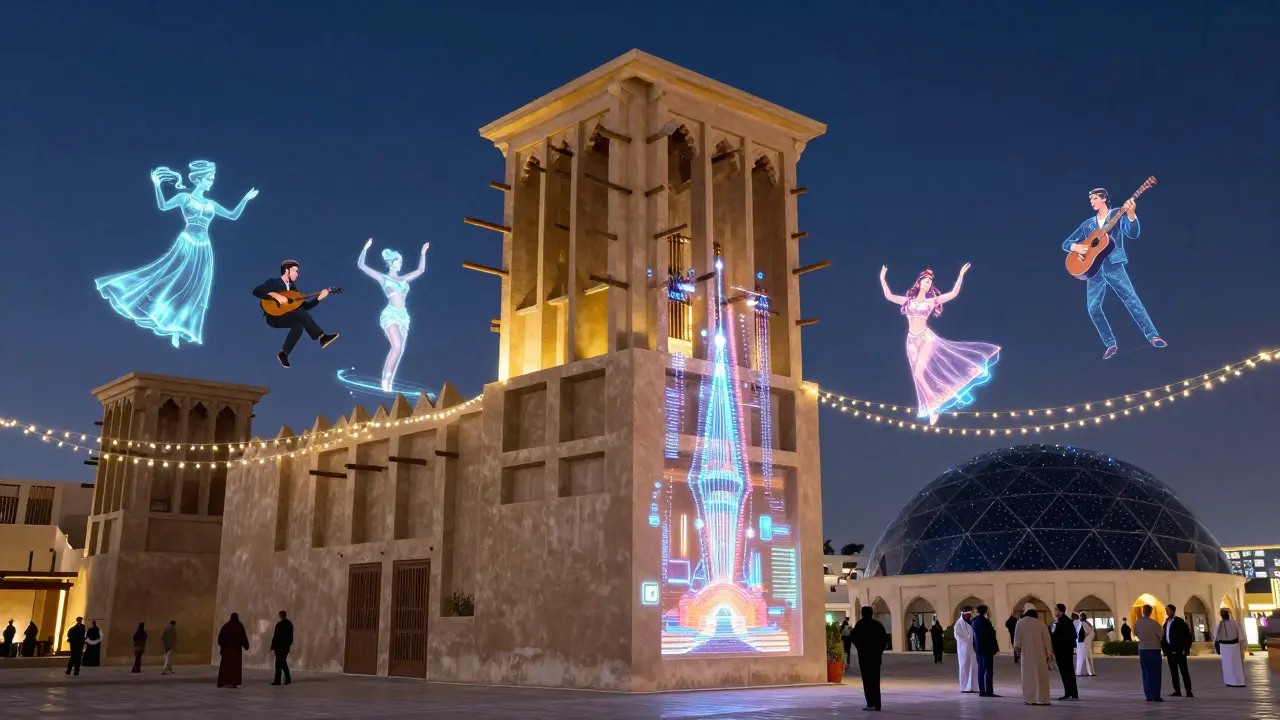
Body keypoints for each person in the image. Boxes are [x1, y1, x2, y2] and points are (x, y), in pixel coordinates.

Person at [96, 161, 258, 347]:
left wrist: (245, 198)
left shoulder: (211, 203)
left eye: (212, 179)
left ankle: (179, 328)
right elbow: (163, 206)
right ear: (199, 179)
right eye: (208, 179)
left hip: (203, 248)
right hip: (187, 243)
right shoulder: (185, 197)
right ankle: (150, 308)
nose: (211, 183)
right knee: (170, 278)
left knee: (195, 289)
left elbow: (232, 215)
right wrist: (157, 186)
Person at [879, 265, 1000, 425]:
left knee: (918, 374)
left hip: (926, 337)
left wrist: (961, 275)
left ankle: (934, 406)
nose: (927, 283)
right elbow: (888, 295)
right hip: (911, 341)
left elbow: (953, 293)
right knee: (919, 377)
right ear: (919, 282)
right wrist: (882, 277)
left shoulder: (931, 301)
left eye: (930, 282)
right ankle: (933, 404)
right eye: (925, 280)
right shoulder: (907, 301)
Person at [1062, 187, 1165, 359]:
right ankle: (1110, 343)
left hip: (1114, 265)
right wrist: (1075, 246)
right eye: (1090, 200)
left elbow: (1132, 233)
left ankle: (1153, 336)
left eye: (1095, 198)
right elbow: (1067, 243)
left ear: (1104, 198)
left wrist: (1131, 215)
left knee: (1131, 299)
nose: (1092, 202)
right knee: (1092, 308)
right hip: (1093, 269)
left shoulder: (1117, 213)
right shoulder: (1087, 225)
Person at [357, 239, 430, 392]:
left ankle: (390, 379)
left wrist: (423, 253)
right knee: (396, 346)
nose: (401, 264)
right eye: (399, 261)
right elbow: (362, 266)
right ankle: (385, 378)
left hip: (403, 317)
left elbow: (420, 271)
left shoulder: (403, 279)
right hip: (390, 315)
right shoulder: (384, 278)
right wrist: (365, 249)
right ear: (392, 262)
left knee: (400, 349)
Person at [253, 260, 339, 368]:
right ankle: (321, 336)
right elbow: (257, 291)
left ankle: (283, 353)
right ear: (287, 271)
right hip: (273, 316)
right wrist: (274, 295)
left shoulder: (293, 289)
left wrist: (318, 299)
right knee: (299, 314)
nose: (298, 274)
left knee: (298, 325)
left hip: (287, 315)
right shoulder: (274, 282)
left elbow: (304, 308)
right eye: (296, 271)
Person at [1013, 604, 1052, 705]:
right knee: (1041, 676)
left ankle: (1031, 698)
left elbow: (1017, 642)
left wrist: (1018, 652)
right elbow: (1047, 640)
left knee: (1029, 677)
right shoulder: (1040, 623)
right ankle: (1043, 698)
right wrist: (1048, 653)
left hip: (1026, 655)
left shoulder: (1020, 623)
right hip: (1041, 656)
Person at [850, 606, 887, 712]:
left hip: (865, 657)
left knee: (867, 680)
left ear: (862, 613)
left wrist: (861, 648)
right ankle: (877, 704)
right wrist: (879, 651)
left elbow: (853, 637)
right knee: (875, 680)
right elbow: (884, 640)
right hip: (875, 657)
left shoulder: (860, 625)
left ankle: (870, 703)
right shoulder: (877, 625)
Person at [1162, 604, 1193, 698]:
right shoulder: (1166, 623)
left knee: (1184, 671)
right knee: (1173, 672)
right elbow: (1164, 637)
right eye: (1166, 610)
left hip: (1180, 651)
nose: (1167, 612)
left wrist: (1185, 649)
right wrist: (1165, 649)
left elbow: (1187, 636)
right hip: (1170, 652)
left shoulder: (1179, 622)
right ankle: (1177, 690)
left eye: (1168, 610)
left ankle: (1188, 690)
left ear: (1173, 611)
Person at [1134, 604, 1164, 701]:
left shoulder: (1138, 623)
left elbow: (1136, 633)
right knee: (1155, 673)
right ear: (1150, 612)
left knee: (1146, 673)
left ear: (1143, 611)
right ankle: (1156, 695)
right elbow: (1161, 635)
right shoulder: (1154, 623)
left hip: (1143, 649)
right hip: (1154, 649)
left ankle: (1148, 695)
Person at [1049, 604, 1079, 700]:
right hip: (1064, 650)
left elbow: (1071, 636)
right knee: (1068, 671)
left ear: (1059, 611)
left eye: (1056, 610)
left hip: (1063, 651)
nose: (1055, 612)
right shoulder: (1062, 621)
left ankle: (1070, 692)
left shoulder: (1064, 622)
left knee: (1066, 671)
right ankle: (1071, 692)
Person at [971, 605, 999, 697]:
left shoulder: (974, 621)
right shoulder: (985, 622)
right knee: (989, 670)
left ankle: (982, 691)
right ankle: (989, 691)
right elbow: (990, 636)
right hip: (987, 648)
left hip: (978, 649)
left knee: (981, 669)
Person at [1215, 608, 1247, 688]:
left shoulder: (1219, 625)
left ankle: (1235, 682)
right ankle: (1235, 681)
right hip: (1230, 646)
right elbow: (1241, 636)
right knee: (1231, 664)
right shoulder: (1233, 623)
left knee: (1230, 664)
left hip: (1230, 646)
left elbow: (1215, 638)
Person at [216, 613, 250, 688]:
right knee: (235, 668)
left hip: (226, 652)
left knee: (225, 668)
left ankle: (221, 682)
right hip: (236, 652)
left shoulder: (226, 626)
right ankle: (234, 682)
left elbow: (220, 639)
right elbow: (243, 637)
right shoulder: (239, 626)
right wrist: (246, 646)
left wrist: (223, 647)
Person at [953, 606, 978, 693]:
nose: (968, 616)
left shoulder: (971, 622)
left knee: (974, 668)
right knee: (964, 667)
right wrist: (968, 638)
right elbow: (957, 636)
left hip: (972, 649)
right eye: (967, 614)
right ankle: (964, 687)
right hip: (964, 649)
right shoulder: (958, 624)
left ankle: (973, 686)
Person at [270, 610, 294, 686]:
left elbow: (275, 636)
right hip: (285, 647)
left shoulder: (279, 625)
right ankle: (287, 679)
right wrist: (288, 645)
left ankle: (278, 681)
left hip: (280, 647)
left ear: (281, 615)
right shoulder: (289, 624)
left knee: (279, 664)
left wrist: (272, 647)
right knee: (282, 663)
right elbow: (291, 637)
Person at [1075, 612, 1096, 676]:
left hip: (1085, 643)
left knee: (1087, 657)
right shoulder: (1078, 623)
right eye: (1081, 616)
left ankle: (1089, 671)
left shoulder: (1086, 624)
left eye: (1083, 616)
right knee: (1081, 658)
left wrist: (1086, 638)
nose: (1082, 617)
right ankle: (1080, 671)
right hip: (1080, 644)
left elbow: (1092, 633)